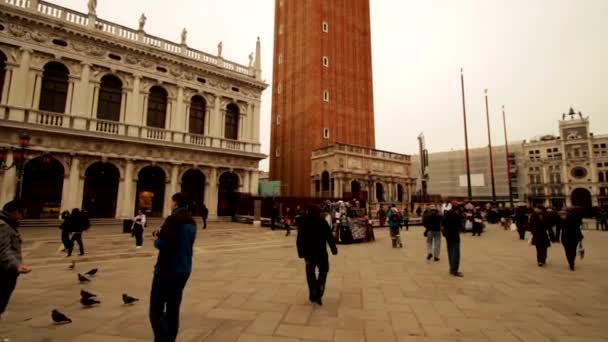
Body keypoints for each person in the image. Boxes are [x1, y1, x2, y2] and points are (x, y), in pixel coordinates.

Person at [149, 192, 197, 342]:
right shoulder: (192, 221)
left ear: (175, 203)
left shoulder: (173, 220)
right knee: (173, 309)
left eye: (171, 201)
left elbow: (164, 244)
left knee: (155, 310)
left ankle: (164, 339)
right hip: (184, 269)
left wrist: (156, 239)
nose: (170, 204)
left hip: (167, 269)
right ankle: (170, 337)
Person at [296, 205, 338, 306]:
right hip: (321, 252)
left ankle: (313, 292)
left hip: (308, 254)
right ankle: (320, 286)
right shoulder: (322, 222)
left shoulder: (303, 222)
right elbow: (329, 236)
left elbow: (299, 239)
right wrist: (333, 249)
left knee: (310, 273)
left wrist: (301, 253)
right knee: (323, 270)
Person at [0, 200, 32, 319]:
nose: (23, 217)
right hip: (3, 273)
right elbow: (3, 251)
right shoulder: (3, 226)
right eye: (22, 213)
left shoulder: (7, 224)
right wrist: (16, 266)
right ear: (15, 212)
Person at [442, 202, 463, 277]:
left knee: (450, 252)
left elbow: (443, 223)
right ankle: (454, 270)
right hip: (454, 235)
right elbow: (458, 224)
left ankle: (451, 268)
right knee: (455, 253)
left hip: (448, 236)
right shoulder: (455, 214)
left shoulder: (447, 213)